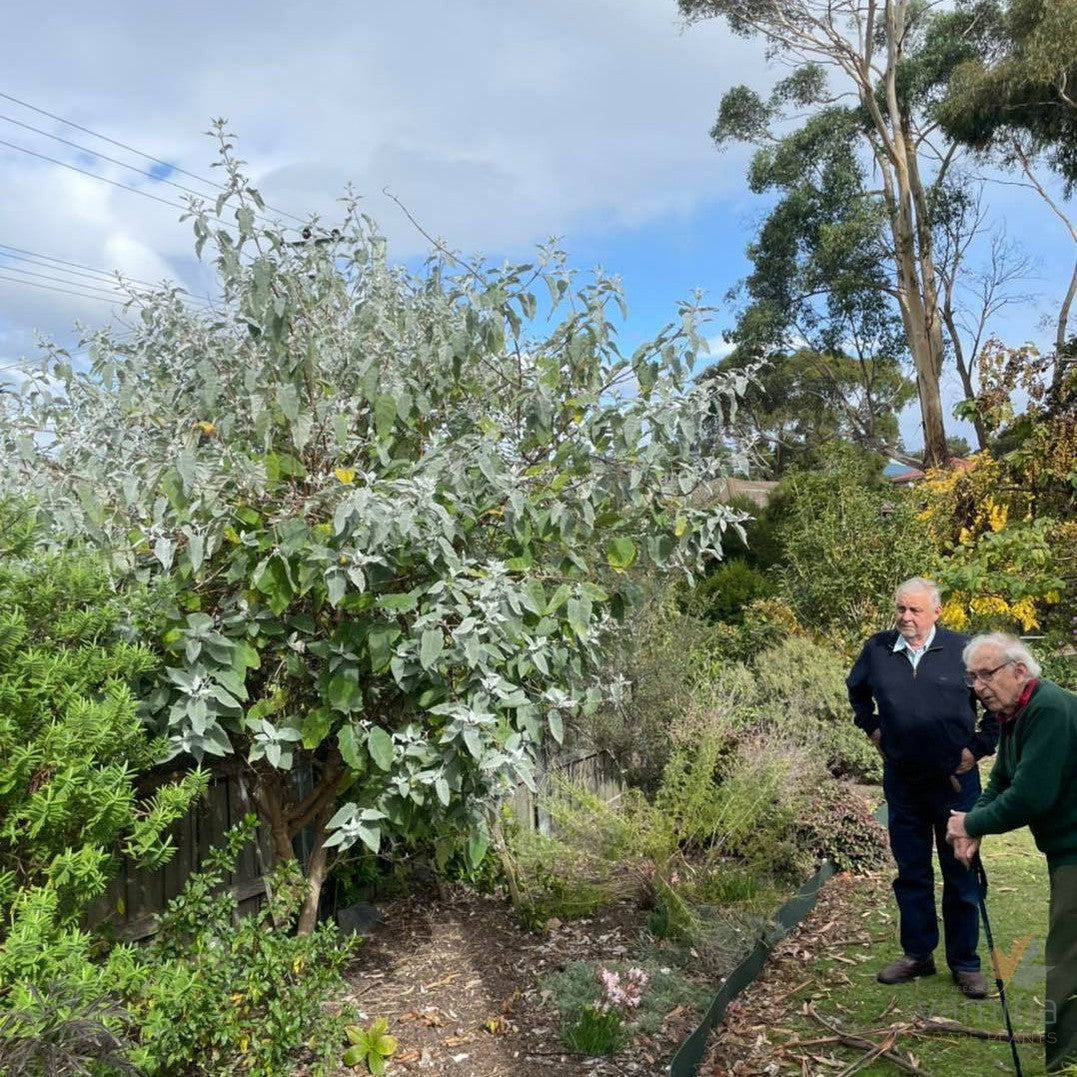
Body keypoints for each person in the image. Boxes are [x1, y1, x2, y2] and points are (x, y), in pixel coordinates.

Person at [847, 578, 999, 998]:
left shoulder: (963, 651)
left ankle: (965, 963)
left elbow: (998, 702)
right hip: (904, 785)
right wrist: (873, 729)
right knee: (911, 872)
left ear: (936, 612)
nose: (906, 618)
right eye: (900, 609)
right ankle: (918, 955)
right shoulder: (877, 650)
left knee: (961, 872)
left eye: (914, 610)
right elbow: (857, 693)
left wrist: (978, 749)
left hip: (956, 786)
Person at [946, 632, 1077, 1074]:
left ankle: (1065, 1064)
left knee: (1068, 963)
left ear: (1020, 672)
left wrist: (970, 824)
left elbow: (1030, 796)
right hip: (1067, 851)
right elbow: (1002, 778)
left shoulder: (1049, 710)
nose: (978, 686)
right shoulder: (1016, 714)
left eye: (987, 674)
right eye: (972, 677)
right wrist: (973, 828)